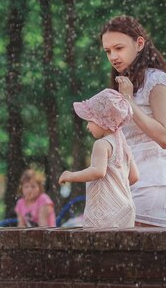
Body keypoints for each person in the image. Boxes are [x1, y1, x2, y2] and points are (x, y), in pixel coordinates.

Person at [100, 15, 166, 227]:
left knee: (143, 253)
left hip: (157, 179)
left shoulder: (156, 81)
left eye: (119, 48)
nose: (113, 56)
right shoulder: (126, 83)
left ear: (139, 44)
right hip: (128, 179)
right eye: (108, 51)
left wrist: (129, 101)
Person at [59, 88, 139, 228]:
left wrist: (70, 176)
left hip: (104, 212)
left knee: (97, 247)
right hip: (125, 209)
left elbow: (98, 172)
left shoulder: (101, 144)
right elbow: (134, 177)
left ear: (102, 120)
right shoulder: (123, 144)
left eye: (90, 121)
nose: (87, 127)